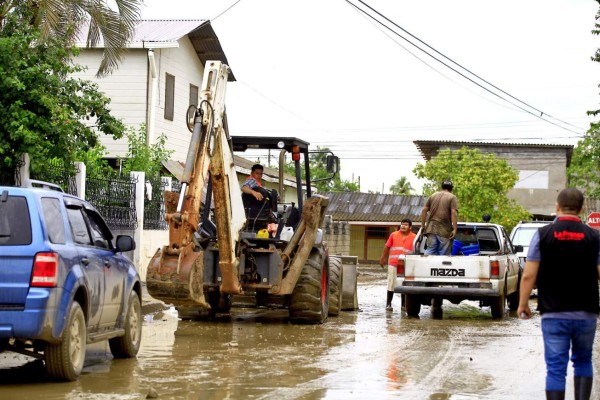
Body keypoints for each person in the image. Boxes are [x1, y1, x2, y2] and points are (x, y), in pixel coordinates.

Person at [518, 188, 600, 400]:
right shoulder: (594, 236)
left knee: (555, 368)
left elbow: (528, 275)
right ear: (581, 209)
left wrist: (523, 304)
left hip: (553, 312)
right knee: (583, 361)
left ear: (557, 206)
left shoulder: (543, 235)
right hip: (586, 312)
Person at [379, 218, 416, 311]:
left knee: (404, 284)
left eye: (406, 224)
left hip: (406, 265)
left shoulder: (414, 237)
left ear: (410, 227)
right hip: (393, 263)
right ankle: (388, 304)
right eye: (402, 224)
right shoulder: (393, 235)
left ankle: (403, 304)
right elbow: (387, 247)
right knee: (391, 283)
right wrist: (383, 258)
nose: (403, 226)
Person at [420, 180, 458, 255]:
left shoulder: (433, 195)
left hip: (431, 228)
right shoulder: (452, 197)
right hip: (444, 230)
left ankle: (427, 266)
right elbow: (454, 213)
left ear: (442, 187)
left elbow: (424, 210)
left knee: (430, 250)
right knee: (443, 253)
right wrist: (455, 229)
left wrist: (423, 226)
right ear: (451, 188)